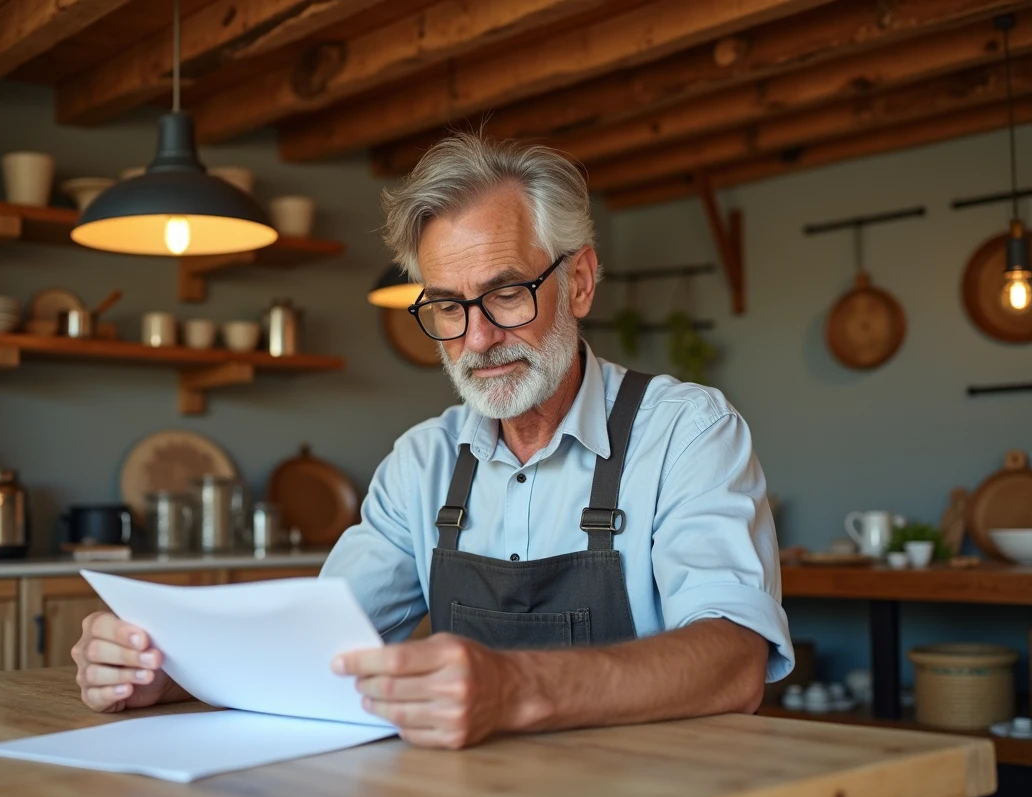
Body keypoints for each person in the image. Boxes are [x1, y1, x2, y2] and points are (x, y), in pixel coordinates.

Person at [71, 133, 794, 750]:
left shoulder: (686, 432)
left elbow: (733, 662)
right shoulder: (422, 463)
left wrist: (515, 688)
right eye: (449, 305)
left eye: (506, 293)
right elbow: (316, 655)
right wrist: (169, 672)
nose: (478, 338)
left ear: (578, 282)